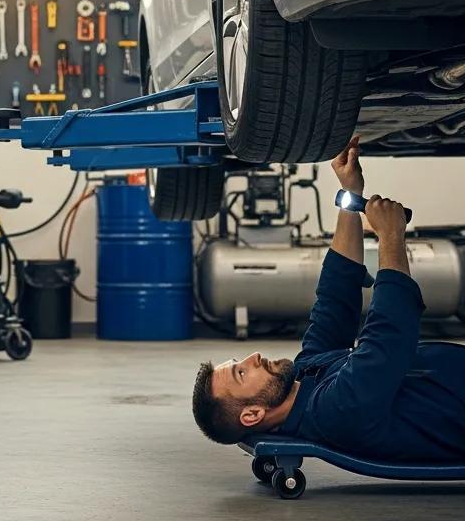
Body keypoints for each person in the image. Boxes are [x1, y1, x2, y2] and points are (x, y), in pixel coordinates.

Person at [192, 135, 465, 461]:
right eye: (241, 373)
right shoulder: (335, 414)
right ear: (252, 415)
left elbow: (334, 299)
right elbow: (389, 338)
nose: (252, 357)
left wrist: (350, 192)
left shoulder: (306, 375)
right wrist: (391, 237)